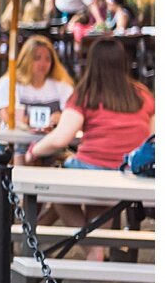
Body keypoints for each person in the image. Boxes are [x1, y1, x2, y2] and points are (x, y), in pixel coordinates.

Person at [20, 38, 155, 260]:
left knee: (57, 193)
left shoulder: (85, 94)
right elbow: (152, 139)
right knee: (97, 204)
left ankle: (92, 249)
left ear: (92, 63)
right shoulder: (143, 95)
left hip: (90, 169)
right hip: (130, 174)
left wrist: (33, 150)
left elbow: (60, 138)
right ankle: (94, 249)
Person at [0, 35, 74, 132]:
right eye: (37, 58)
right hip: (16, 140)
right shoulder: (8, 83)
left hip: (52, 141)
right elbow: (7, 116)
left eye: (48, 59)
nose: (43, 63)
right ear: (26, 59)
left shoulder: (62, 85)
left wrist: (61, 118)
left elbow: (73, 115)